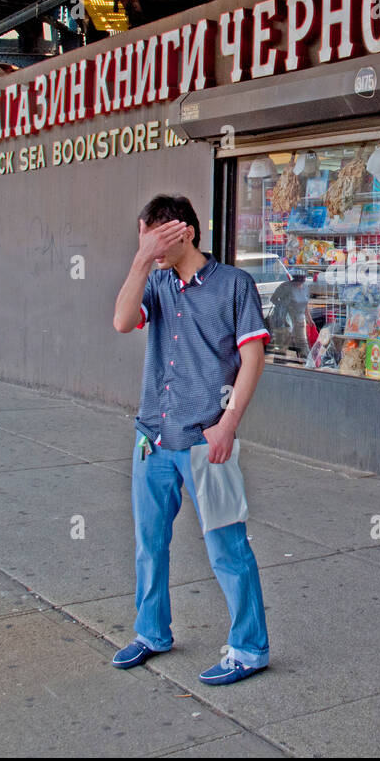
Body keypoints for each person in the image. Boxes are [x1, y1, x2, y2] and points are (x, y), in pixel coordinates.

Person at [111, 194, 272, 686]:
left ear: (185, 232)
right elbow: (121, 321)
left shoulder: (234, 285)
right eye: (145, 239)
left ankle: (249, 648)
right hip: (152, 437)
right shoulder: (154, 282)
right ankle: (152, 632)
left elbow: (253, 359)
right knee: (149, 544)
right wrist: (141, 259)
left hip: (206, 439)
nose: (152, 249)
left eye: (157, 238)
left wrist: (227, 425)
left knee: (227, 545)